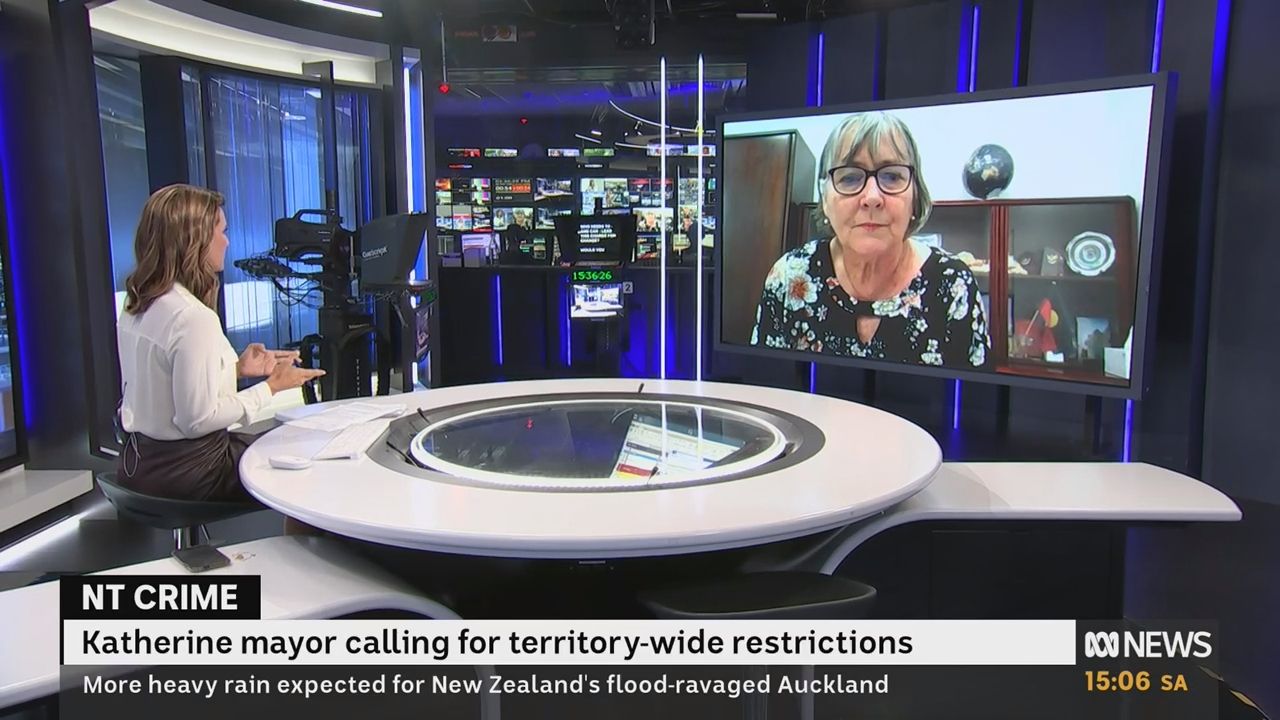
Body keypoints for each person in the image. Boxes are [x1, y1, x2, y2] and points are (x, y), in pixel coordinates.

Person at [117, 184, 325, 501]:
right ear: (194, 240)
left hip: (139, 465)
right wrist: (271, 387)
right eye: (221, 231)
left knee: (286, 442)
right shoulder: (192, 317)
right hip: (192, 472)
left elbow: (163, 385)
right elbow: (197, 421)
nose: (226, 241)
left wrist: (235, 369)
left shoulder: (138, 304)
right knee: (309, 456)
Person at [750, 112, 991, 369]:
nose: (872, 197)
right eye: (849, 178)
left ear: (915, 196)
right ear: (825, 198)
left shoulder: (953, 284)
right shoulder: (789, 277)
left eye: (892, 176)